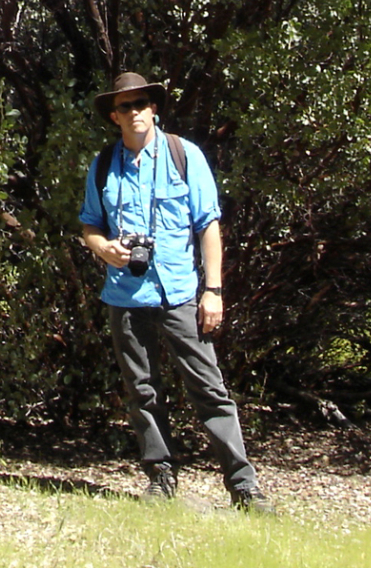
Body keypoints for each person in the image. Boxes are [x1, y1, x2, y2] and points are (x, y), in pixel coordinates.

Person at [79, 71, 273, 511]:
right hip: (125, 298)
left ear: (154, 109)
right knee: (142, 392)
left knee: (210, 390)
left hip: (180, 294)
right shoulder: (103, 165)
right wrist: (102, 248)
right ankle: (160, 478)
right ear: (114, 116)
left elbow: (208, 225)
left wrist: (213, 290)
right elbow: (89, 224)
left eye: (141, 104)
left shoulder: (184, 155)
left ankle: (244, 486)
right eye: (125, 106)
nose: (135, 112)